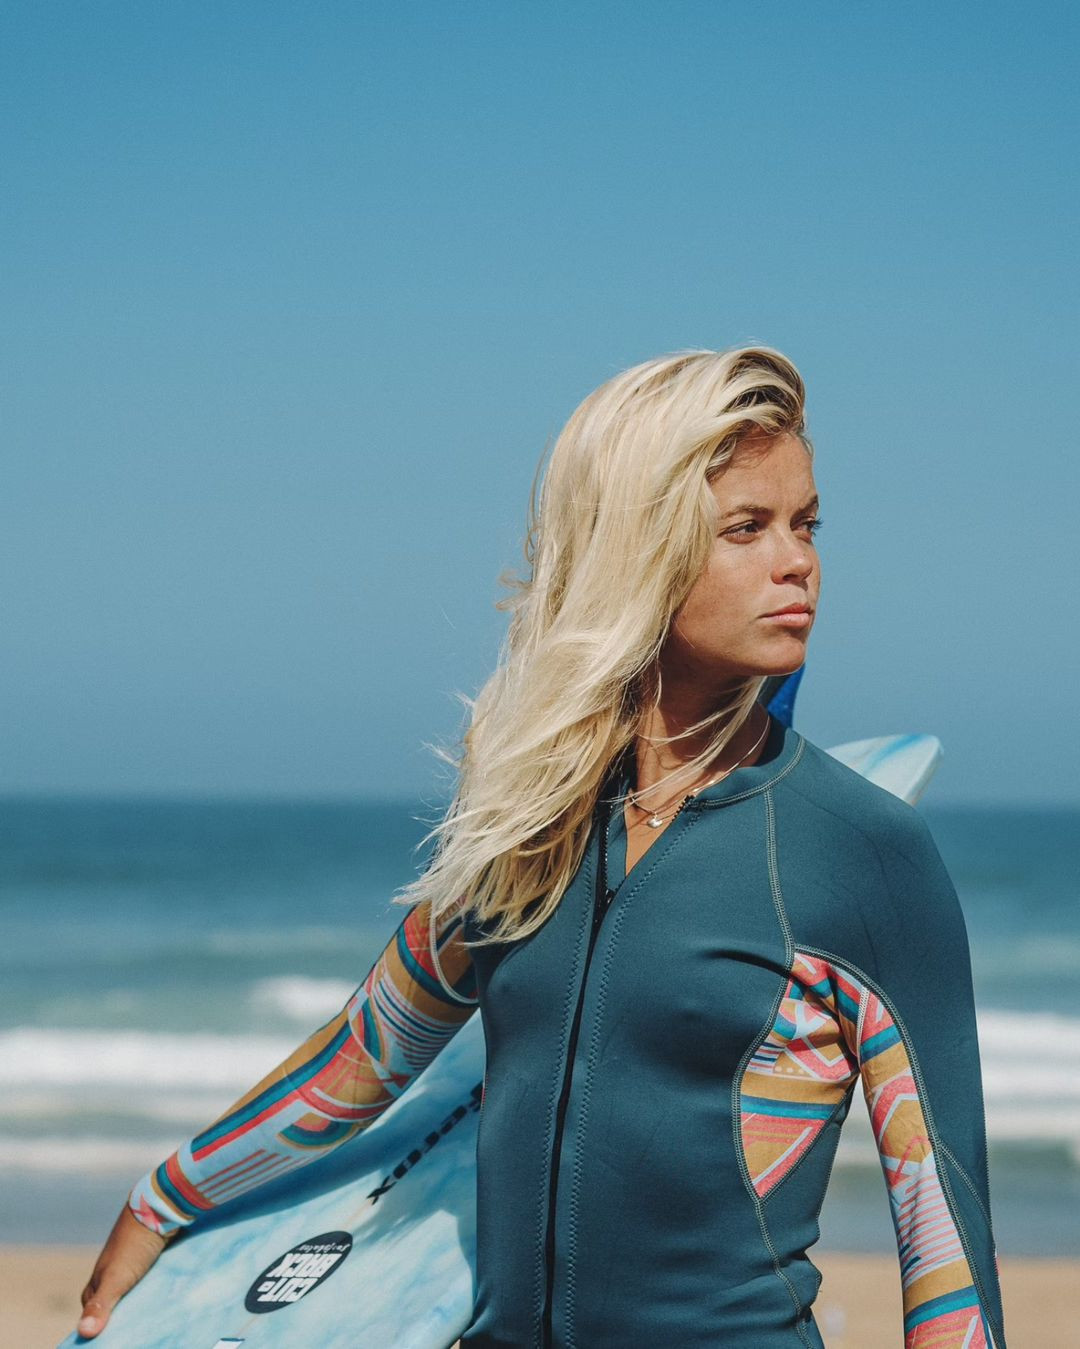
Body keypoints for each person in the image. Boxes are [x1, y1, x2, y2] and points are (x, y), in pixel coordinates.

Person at [76, 347, 1007, 1348]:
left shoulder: (863, 853)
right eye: (746, 527)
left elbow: (945, 1245)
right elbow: (368, 1053)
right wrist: (163, 1201)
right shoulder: (531, 825)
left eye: (806, 524)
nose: (798, 561)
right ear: (637, 547)